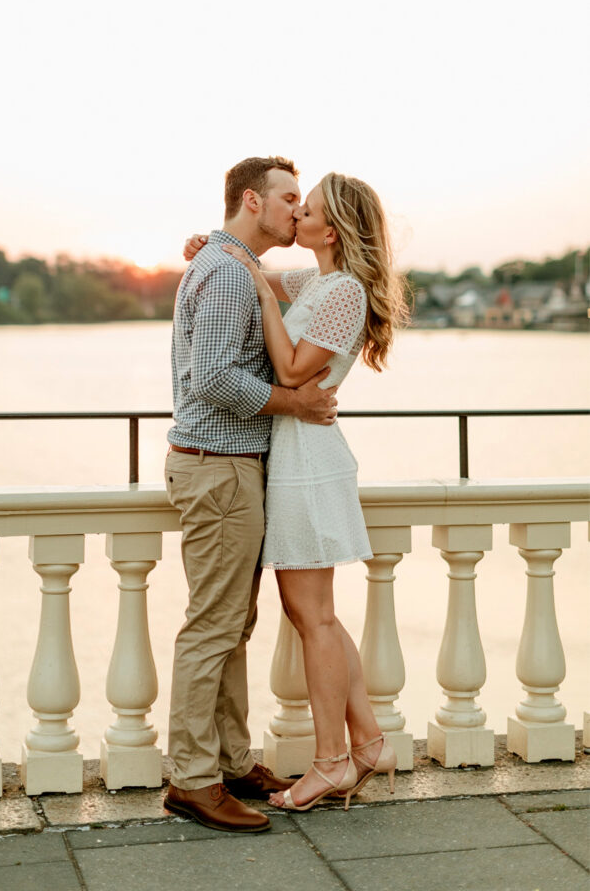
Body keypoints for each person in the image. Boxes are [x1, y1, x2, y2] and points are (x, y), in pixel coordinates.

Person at [184, 171, 408, 812]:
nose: (296, 215)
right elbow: (252, 268)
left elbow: (288, 369)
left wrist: (254, 282)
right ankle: (366, 743)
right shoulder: (320, 280)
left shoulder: (342, 294)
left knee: (314, 618)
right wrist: (215, 247)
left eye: (304, 209)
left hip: (309, 462)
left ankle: (332, 762)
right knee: (316, 616)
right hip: (294, 458)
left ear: (329, 229)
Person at [163, 156, 339, 834]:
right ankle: (192, 779)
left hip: (230, 467)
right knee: (213, 625)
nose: (297, 211)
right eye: (288, 198)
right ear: (250, 201)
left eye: (303, 202)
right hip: (217, 468)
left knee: (232, 622)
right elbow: (210, 378)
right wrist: (293, 402)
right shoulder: (230, 274)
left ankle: (231, 762)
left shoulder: (233, 266)